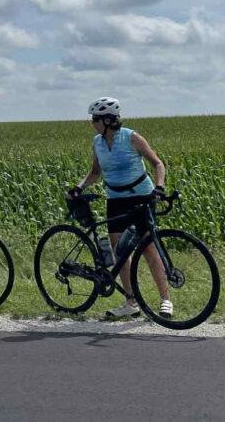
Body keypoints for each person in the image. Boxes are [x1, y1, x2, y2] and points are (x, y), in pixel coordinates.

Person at [68, 97, 173, 319]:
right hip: (115, 199)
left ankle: (165, 301)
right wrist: (79, 186)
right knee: (120, 252)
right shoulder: (97, 142)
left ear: (107, 120)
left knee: (148, 248)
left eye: (95, 119)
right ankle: (130, 301)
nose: (92, 123)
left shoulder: (132, 137)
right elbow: (95, 172)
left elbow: (158, 163)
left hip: (141, 197)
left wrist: (160, 187)